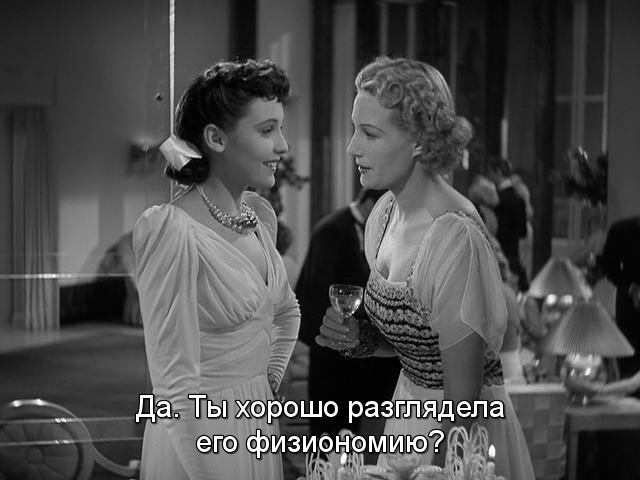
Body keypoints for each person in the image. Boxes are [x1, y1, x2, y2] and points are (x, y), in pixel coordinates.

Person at [317, 57, 534, 479]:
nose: (352, 147)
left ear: (419, 141)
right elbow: (420, 345)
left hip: (456, 435)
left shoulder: (453, 239)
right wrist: (361, 338)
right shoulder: (383, 215)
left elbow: (462, 404)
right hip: (408, 415)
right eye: (354, 129)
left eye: (370, 133)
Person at [133, 59, 300, 480]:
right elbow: (173, 387)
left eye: (280, 129)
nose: (283, 146)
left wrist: (269, 379)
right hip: (199, 437)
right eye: (268, 130)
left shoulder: (257, 217)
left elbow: (286, 311)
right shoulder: (172, 231)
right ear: (216, 138)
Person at [295, 188, 401, 461]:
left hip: (362, 353)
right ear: (370, 203)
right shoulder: (332, 230)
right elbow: (319, 292)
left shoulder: (375, 232)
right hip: (333, 356)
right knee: (330, 435)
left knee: (360, 439)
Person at [599, 214, 640, 380]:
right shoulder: (621, 231)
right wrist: (631, 288)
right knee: (630, 364)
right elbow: (609, 267)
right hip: (631, 306)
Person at [486, 156, 529, 292]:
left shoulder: (496, 200)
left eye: (491, 172)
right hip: (514, 254)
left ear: (498, 172)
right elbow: (523, 231)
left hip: (499, 254)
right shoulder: (519, 199)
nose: (489, 177)